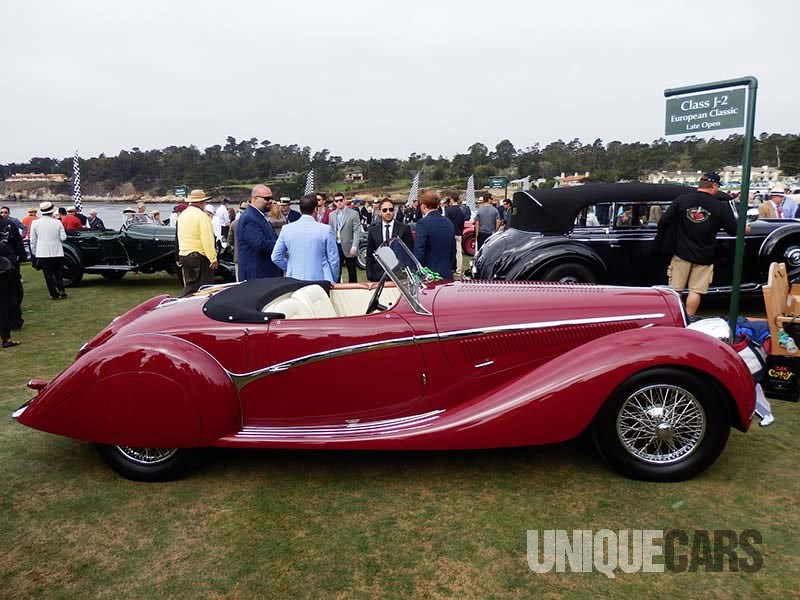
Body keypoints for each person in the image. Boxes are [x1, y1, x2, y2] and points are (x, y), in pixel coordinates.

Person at [657, 172, 743, 318]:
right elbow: (733, 230)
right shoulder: (719, 206)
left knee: (675, 290)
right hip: (705, 255)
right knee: (695, 291)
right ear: (714, 186)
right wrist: (745, 228)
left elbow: (664, 221)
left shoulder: (682, 200)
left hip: (681, 253)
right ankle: (689, 318)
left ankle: (674, 318)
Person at [271, 194, 340, 283]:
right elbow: (334, 260)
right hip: (321, 279)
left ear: (300, 208)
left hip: (295, 278)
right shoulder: (325, 230)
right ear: (316, 208)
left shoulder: (287, 229)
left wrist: (290, 268)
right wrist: (332, 278)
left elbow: (276, 257)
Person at [176, 189, 218, 296]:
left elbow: (178, 236)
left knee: (190, 286)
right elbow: (207, 239)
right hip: (199, 255)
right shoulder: (202, 216)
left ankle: (182, 304)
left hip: (184, 254)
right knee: (204, 288)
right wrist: (213, 258)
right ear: (201, 202)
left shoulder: (182, 215)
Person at [237, 184, 281, 281]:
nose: (271, 201)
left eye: (271, 198)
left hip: (265, 275)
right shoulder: (250, 218)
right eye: (267, 198)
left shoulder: (259, 216)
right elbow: (260, 244)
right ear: (255, 198)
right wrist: (283, 246)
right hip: (256, 276)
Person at [366, 198, 413, 282]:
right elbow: (369, 254)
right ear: (379, 212)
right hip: (378, 275)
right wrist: (370, 274)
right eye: (385, 210)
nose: (388, 212)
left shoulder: (404, 228)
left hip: (400, 276)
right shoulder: (373, 230)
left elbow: (410, 253)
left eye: (391, 209)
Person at [413, 190, 456, 280]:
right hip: (447, 272)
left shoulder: (423, 223)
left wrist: (417, 271)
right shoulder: (448, 222)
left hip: (430, 274)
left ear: (423, 206)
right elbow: (453, 250)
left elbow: (419, 251)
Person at [29, 201, 68, 300]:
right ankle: (61, 290)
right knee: (58, 272)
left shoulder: (35, 223)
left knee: (48, 274)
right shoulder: (57, 222)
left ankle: (53, 294)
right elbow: (63, 237)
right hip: (57, 251)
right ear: (52, 211)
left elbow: (32, 240)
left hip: (42, 252)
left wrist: (34, 252)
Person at [0, 206, 26, 343]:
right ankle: (12, 325)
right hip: (7, 266)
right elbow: (17, 242)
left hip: (7, 264)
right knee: (11, 296)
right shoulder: (9, 224)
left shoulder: (10, 223)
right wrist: (21, 256)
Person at [329, 193, 362, 283]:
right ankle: (337, 289)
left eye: (341, 200)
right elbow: (331, 232)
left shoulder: (353, 214)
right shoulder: (331, 215)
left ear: (344, 200)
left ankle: (353, 291)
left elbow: (357, 231)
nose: (339, 202)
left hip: (349, 246)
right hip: (337, 246)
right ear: (334, 202)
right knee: (337, 271)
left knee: (352, 272)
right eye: (337, 201)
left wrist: (355, 246)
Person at [444, 192, 466, 276]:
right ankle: (459, 270)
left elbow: (446, 223)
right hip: (458, 232)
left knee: (449, 252)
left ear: (452, 199)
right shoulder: (461, 211)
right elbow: (462, 223)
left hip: (450, 233)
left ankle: (451, 268)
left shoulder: (448, 210)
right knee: (458, 252)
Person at [227, 201, 248, 281]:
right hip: (251, 256)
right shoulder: (254, 223)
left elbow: (230, 241)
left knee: (239, 280)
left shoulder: (234, 224)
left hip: (238, 255)